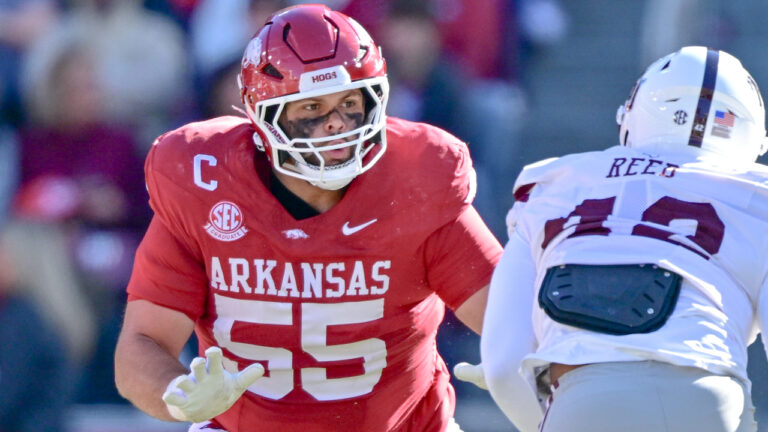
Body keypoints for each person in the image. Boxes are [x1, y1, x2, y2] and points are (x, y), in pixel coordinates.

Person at [113, 4, 502, 432]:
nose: (336, 124)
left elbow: (508, 313)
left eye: (349, 103)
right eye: (312, 108)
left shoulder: (416, 182)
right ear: (264, 115)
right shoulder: (204, 186)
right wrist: (180, 396)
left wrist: (523, 359)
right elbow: (143, 344)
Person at [458, 46, 768, 432]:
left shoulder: (554, 184)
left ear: (633, 114)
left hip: (583, 397)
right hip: (705, 395)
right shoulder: (756, 196)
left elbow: (504, 365)